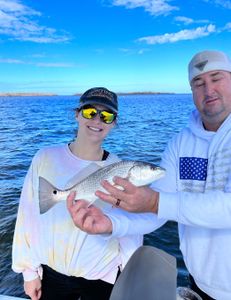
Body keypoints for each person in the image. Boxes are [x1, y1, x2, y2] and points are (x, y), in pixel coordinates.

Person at [70, 51, 231, 300]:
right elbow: (158, 210)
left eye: (216, 78)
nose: (208, 89)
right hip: (199, 283)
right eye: (198, 83)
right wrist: (111, 224)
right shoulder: (180, 144)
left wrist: (156, 201)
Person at [12, 87, 158, 300]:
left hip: (103, 274)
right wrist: (28, 272)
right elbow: (27, 215)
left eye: (106, 116)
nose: (97, 120)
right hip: (53, 273)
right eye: (90, 112)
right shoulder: (45, 158)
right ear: (77, 114)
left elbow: (129, 228)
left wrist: (128, 274)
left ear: (113, 123)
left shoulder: (121, 167)